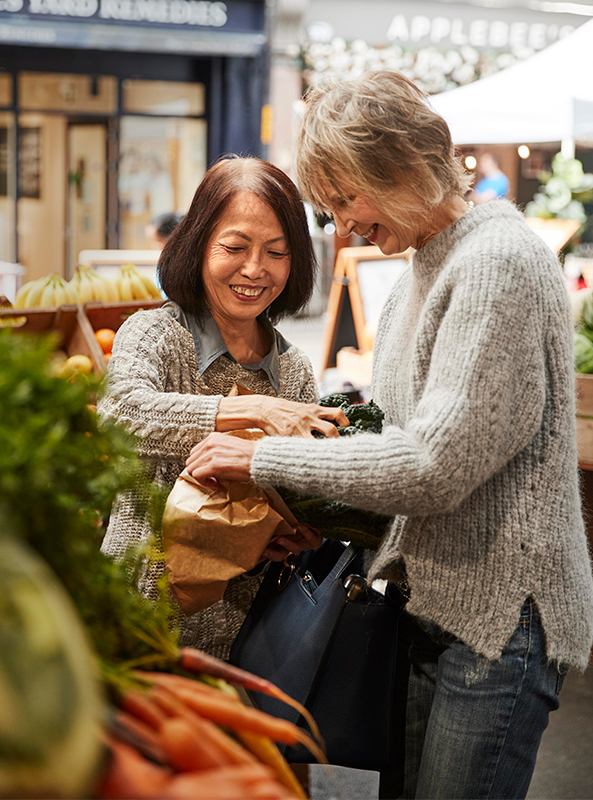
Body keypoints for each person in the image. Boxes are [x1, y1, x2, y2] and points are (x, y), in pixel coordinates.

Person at [184, 72, 593, 799]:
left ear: (400, 164)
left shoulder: (496, 263)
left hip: (497, 624)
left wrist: (264, 456)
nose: (342, 226)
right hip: (432, 608)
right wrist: (321, 525)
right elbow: (402, 448)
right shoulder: (420, 271)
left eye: (346, 198)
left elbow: (434, 465)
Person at [98, 155, 347, 660]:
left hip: (247, 638)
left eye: (276, 252)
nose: (254, 269)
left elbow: (294, 498)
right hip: (135, 623)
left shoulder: (292, 368)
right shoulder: (154, 335)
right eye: (235, 247)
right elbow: (121, 414)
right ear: (197, 246)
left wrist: (291, 533)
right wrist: (254, 410)